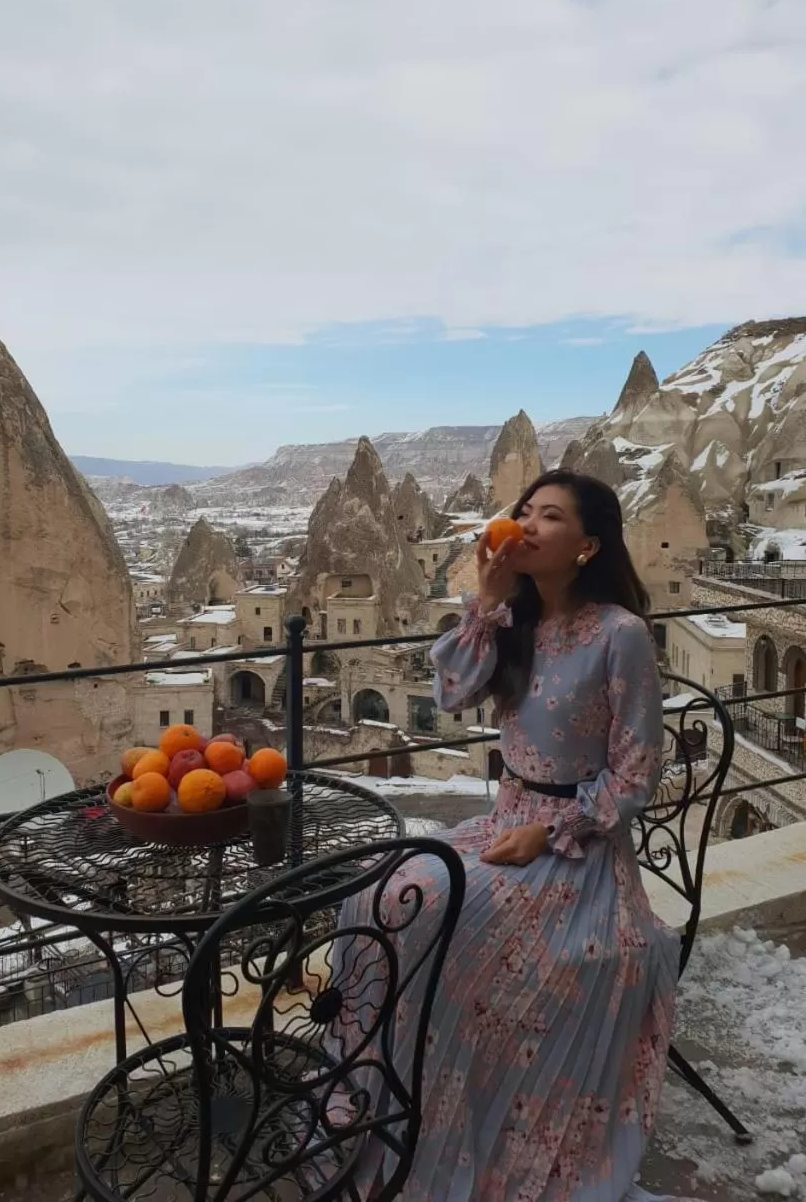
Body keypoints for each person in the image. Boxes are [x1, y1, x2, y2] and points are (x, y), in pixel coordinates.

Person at [337, 470, 682, 1202]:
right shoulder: (513, 622)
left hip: (577, 854)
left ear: (587, 546)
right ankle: (381, 1108)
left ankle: (455, 1128)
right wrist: (488, 602)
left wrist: (551, 831)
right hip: (505, 825)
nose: (524, 524)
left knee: (436, 919)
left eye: (548, 516)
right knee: (378, 899)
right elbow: (453, 696)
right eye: (522, 509)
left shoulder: (621, 635)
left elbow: (636, 772)